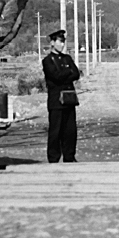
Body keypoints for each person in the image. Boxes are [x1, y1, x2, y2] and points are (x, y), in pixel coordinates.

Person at [42, 29, 81, 163]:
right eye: (59, 41)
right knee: (55, 131)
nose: (62, 44)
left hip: (69, 99)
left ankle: (69, 156)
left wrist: (65, 73)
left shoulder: (67, 58)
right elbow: (55, 77)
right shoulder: (48, 60)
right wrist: (67, 72)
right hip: (56, 100)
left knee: (70, 130)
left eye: (63, 41)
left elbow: (76, 74)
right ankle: (53, 157)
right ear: (52, 42)